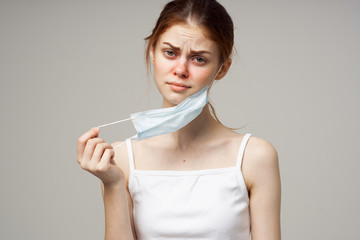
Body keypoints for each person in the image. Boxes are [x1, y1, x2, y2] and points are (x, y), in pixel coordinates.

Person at [76, 0, 281, 239]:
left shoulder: (255, 156)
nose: (181, 69)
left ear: (222, 68)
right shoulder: (119, 159)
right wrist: (112, 183)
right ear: (151, 52)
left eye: (199, 59)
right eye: (170, 53)